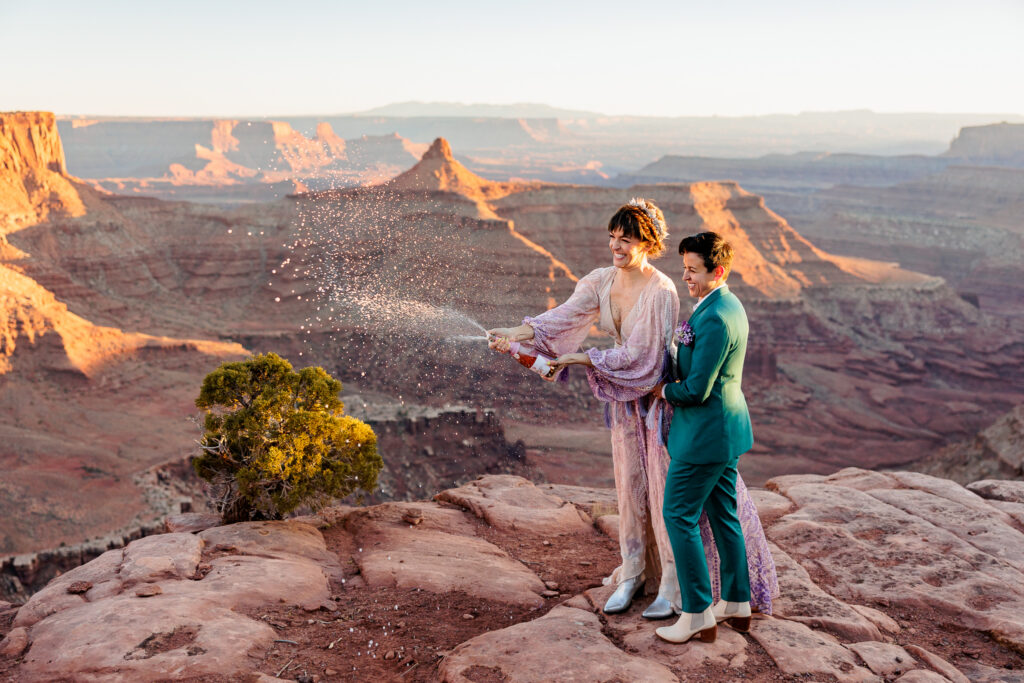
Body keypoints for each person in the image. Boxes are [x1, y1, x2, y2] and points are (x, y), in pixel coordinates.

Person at [488, 201, 777, 621]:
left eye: (625, 240)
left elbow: (643, 358)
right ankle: (634, 572)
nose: (615, 246)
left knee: (664, 490)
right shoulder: (601, 280)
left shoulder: (661, 290)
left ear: (648, 243)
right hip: (625, 404)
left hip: (658, 402)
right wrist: (517, 332)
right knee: (630, 486)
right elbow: (562, 317)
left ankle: (674, 584)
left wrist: (587, 360)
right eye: (612, 237)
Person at [653, 231, 775, 644]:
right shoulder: (724, 304)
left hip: (704, 436)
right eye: (683, 268)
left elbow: (696, 389)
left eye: (692, 270)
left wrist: (662, 390)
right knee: (724, 515)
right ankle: (737, 603)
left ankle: (697, 612)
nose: (685, 277)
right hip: (724, 433)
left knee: (678, 515)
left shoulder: (717, 318)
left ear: (717, 271)